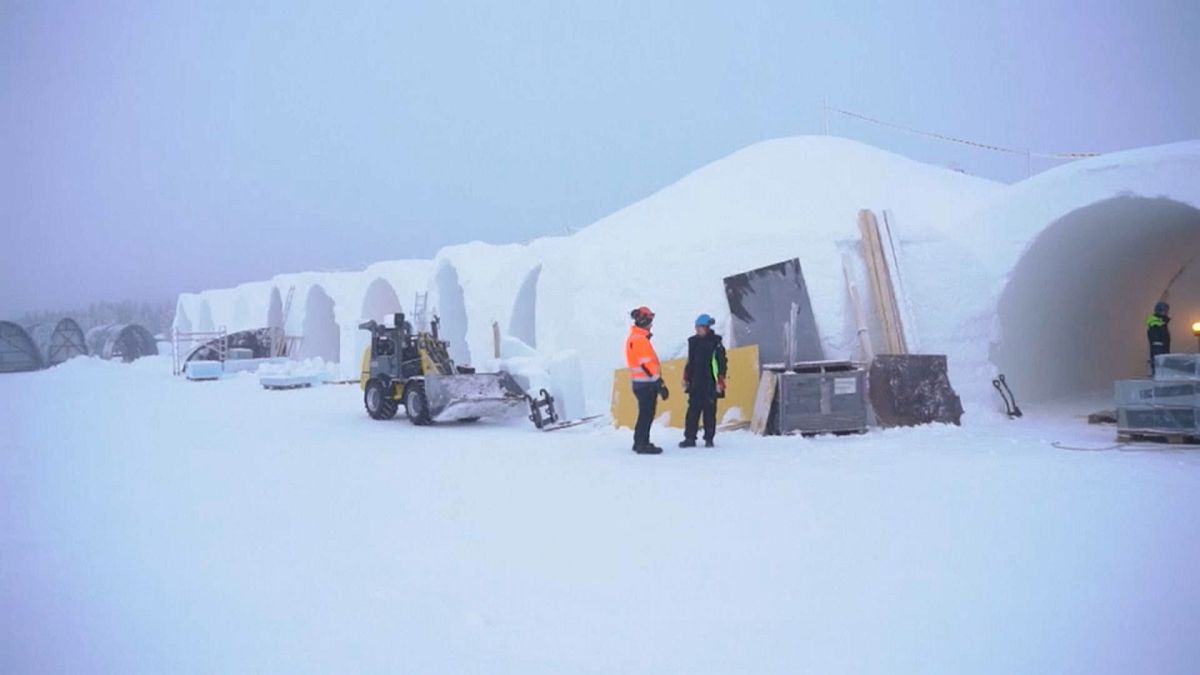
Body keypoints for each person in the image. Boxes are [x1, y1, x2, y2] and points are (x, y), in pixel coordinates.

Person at [680, 314, 728, 448]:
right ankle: (690, 438)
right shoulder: (693, 342)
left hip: (710, 382)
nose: (698, 330)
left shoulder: (716, 342)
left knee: (709, 412)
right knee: (692, 412)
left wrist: (721, 378)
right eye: (697, 327)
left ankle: (709, 438)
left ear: (706, 328)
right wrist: (686, 377)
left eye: (700, 327)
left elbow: (722, 362)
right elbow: (691, 362)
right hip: (695, 382)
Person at [625, 306, 668, 454]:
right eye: (650, 320)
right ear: (644, 321)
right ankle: (642, 443)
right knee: (646, 414)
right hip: (646, 384)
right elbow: (646, 364)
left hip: (641, 383)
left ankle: (640, 441)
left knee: (644, 413)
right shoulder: (640, 340)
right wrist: (658, 383)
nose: (651, 324)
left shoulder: (636, 338)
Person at [1147, 301, 1172, 376]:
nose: (1167, 312)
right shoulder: (1157, 323)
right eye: (1165, 310)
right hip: (1159, 351)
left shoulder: (1160, 322)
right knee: (1160, 371)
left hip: (1161, 350)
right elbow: (1157, 340)